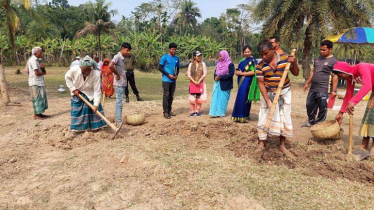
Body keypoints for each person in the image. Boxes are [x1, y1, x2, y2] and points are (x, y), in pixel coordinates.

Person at [255, 40, 299, 155]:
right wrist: (268, 101)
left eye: (266, 53)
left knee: (284, 117)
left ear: (273, 49)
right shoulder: (260, 65)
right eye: (261, 55)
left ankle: (282, 145)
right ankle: (261, 143)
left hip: (284, 92)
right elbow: (261, 83)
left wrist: (294, 63)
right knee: (264, 116)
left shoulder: (285, 58)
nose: (264, 57)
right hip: (269, 92)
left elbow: (296, 73)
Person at [333, 62, 374, 153]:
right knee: (368, 117)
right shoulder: (350, 76)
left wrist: (352, 102)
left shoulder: (362, 67)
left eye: (341, 76)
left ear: (344, 71)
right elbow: (348, 94)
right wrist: (341, 112)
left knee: (373, 118)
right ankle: (364, 144)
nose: (340, 78)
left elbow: (367, 86)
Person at [65, 55, 107, 138]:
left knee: (95, 112)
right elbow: (67, 78)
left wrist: (96, 104)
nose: (87, 71)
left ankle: (97, 128)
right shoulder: (74, 70)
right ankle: (75, 130)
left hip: (90, 93)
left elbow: (97, 90)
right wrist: (73, 89)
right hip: (77, 92)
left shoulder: (95, 74)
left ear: (91, 67)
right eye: (85, 69)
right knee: (76, 112)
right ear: (80, 67)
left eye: (89, 69)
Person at [302, 40, 338, 127]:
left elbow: (335, 76)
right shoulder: (317, 59)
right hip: (313, 88)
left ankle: (320, 124)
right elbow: (313, 72)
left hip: (324, 89)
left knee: (322, 107)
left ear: (330, 50)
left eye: (323, 50)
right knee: (309, 105)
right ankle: (311, 121)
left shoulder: (334, 61)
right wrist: (307, 83)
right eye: (320, 50)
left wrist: (334, 90)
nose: (321, 51)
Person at [231, 45, 258, 122]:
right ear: (243, 53)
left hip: (247, 81)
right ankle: (238, 116)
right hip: (240, 81)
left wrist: (242, 73)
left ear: (251, 52)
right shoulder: (242, 61)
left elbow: (253, 72)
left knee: (244, 97)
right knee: (240, 97)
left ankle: (244, 115)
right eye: (245, 52)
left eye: (248, 52)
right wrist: (237, 72)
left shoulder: (252, 61)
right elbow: (239, 70)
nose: (247, 53)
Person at [209, 50, 235, 117]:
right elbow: (215, 72)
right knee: (216, 98)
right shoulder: (218, 64)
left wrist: (220, 77)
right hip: (217, 84)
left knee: (222, 99)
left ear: (225, 56)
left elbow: (231, 74)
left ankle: (220, 113)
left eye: (221, 56)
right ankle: (214, 113)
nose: (220, 57)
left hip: (225, 84)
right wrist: (215, 77)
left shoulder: (230, 64)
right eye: (219, 56)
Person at [158, 43, 180, 119]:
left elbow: (177, 68)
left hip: (173, 81)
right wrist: (168, 75)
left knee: (171, 96)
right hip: (166, 80)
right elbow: (160, 68)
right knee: (166, 96)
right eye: (173, 49)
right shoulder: (164, 57)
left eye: (175, 49)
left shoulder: (176, 58)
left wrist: (176, 74)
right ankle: (165, 112)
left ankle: (169, 110)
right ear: (169, 49)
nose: (174, 51)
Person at [109, 43, 128, 126]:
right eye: (127, 50)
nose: (128, 52)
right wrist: (117, 74)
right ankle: (118, 121)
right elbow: (110, 65)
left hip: (122, 83)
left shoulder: (122, 58)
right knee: (119, 103)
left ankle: (117, 119)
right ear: (122, 48)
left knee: (119, 102)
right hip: (119, 84)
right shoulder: (117, 57)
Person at [27, 46, 49, 120]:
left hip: (39, 82)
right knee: (37, 98)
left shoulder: (37, 60)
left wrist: (43, 69)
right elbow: (36, 73)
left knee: (41, 98)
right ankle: (36, 115)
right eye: (40, 52)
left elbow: (40, 71)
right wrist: (44, 73)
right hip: (35, 82)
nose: (42, 54)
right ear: (36, 53)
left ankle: (40, 113)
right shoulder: (33, 60)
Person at [187, 51, 207, 117]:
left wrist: (199, 81)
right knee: (192, 97)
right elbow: (189, 74)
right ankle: (192, 111)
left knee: (199, 97)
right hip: (192, 83)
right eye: (198, 56)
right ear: (194, 57)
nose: (199, 57)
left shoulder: (203, 64)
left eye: (200, 56)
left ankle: (197, 110)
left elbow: (204, 73)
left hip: (200, 83)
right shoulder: (191, 64)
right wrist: (194, 81)